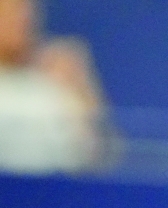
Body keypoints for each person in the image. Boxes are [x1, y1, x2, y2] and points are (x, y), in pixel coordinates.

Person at [0, 0, 107, 173]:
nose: (21, 20)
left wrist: (81, 90)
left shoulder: (53, 84)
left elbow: (95, 158)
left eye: (26, 12)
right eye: (10, 11)